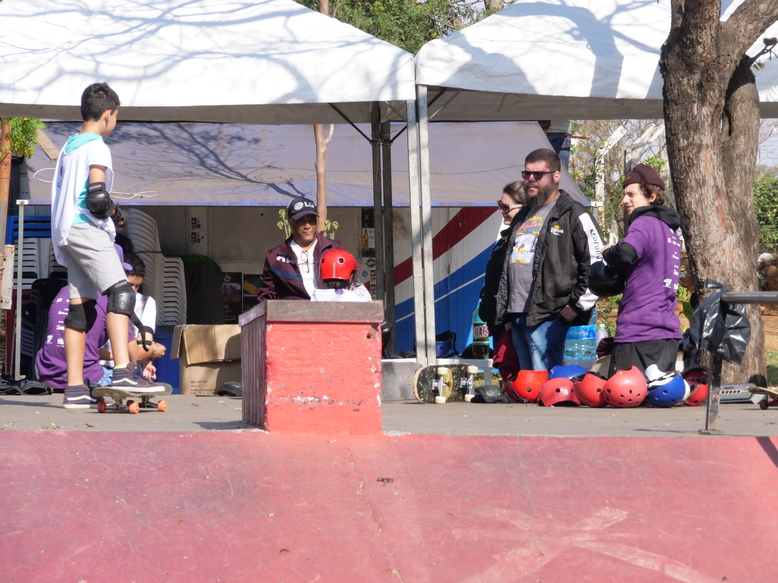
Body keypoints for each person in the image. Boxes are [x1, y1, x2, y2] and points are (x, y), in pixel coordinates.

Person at [51, 82, 166, 408]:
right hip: (87, 227)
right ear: (108, 115)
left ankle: (74, 389)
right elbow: (97, 197)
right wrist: (116, 214)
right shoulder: (96, 145)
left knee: (80, 310)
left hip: (65, 230)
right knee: (123, 293)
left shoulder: (68, 146)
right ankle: (122, 372)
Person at [493, 148, 604, 371]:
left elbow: (597, 263)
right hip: (517, 314)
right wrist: (506, 312)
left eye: (538, 174)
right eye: (526, 174)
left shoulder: (573, 214)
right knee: (526, 383)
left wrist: (578, 305)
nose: (530, 179)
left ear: (555, 176)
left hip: (550, 315)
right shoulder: (523, 215)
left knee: (547, 381)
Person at [36, 249, 165, 390]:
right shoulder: (112, 301)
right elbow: (135, 354)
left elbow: (84, 348)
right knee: (134, 379)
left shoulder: (65, 291)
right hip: (86, 377)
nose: (132, 291)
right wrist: (154, 350)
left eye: (137, 286)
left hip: (47, 376)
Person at [601, 164, 683, 376]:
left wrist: (608, 251)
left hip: (639, 330)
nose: (624, 200)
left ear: (651, 196)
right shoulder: (670, 231)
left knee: (625, 394)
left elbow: (625, 253)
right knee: (658, 393)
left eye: (631, 194)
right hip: (666, 333)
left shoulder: (644, 222)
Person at [258, 197, 344, 301]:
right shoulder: (275, 257)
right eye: (301, 221)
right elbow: (266, 297)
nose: (307, 226)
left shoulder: (334, 249)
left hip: (330, 310)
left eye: (311, 220)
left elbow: (347, 286)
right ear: (290, 223)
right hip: (292, 311)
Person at [480, 181, 526, 339]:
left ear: (524, 207)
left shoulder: (526, 241)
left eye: (506, 207)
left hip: (514, 324)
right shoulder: (505, 240)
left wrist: (509, 319)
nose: (501, 211)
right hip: (499, 323)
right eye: (500, 205)